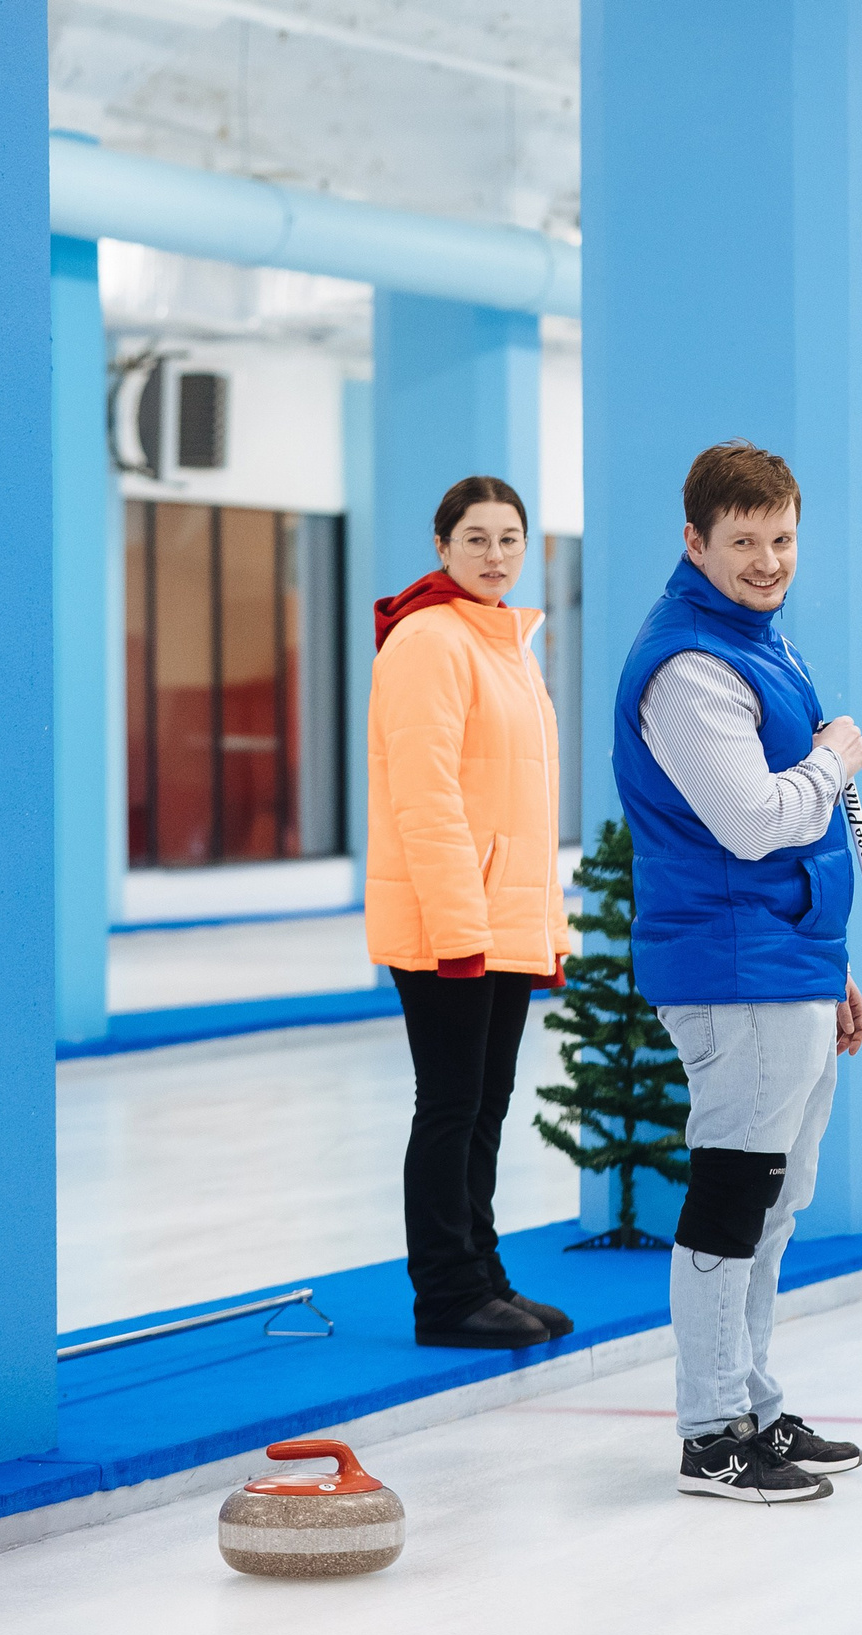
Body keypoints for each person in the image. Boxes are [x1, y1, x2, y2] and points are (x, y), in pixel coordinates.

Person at [612, 440, 862, 1504]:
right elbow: (754, 821)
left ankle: (753, 1401)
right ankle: (709, 1429)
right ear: (694, 541)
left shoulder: (758, 641)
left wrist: (827, 965)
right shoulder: (691, 668)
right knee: (733, 1199)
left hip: (785, 962)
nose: (766, 560)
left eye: (780, 539)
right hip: (732, 969)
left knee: (773, 1203)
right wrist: (834, 761)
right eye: (743, 542)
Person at [367, 475, 578, 1351]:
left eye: (511, 538)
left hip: (504, 924)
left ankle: (482, 1273)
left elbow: (522, 810)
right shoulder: (428, 640)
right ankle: (445, 1293)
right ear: (442, 545)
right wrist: (461, 932)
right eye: (478, 538)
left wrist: (545, 929)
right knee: (450, 1104)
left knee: (486, 1103)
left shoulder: (510, 646)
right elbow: (429, 802)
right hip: (450, 927)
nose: (497, 555)